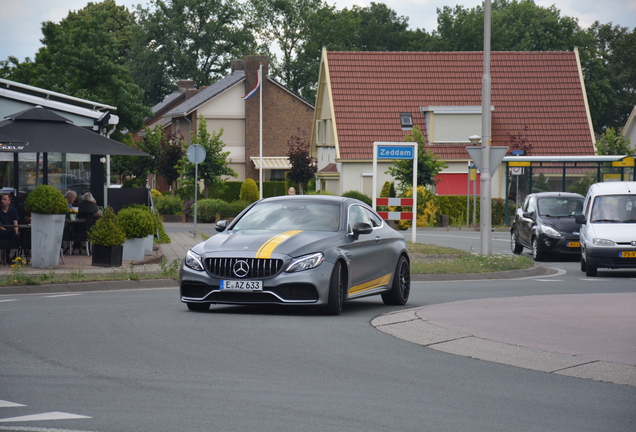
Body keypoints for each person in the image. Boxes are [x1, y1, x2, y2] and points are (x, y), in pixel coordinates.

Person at [0, 194, 19, 262]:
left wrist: (16, 231)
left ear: (9, 202)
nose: (2, 201)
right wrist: (5, 229)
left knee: (18, 237)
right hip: (2, 231)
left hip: (10, 231)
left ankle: (11, 256)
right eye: (2, 199)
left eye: (4, 199)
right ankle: (4, 257)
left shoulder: (13, 210)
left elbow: (15, 222)